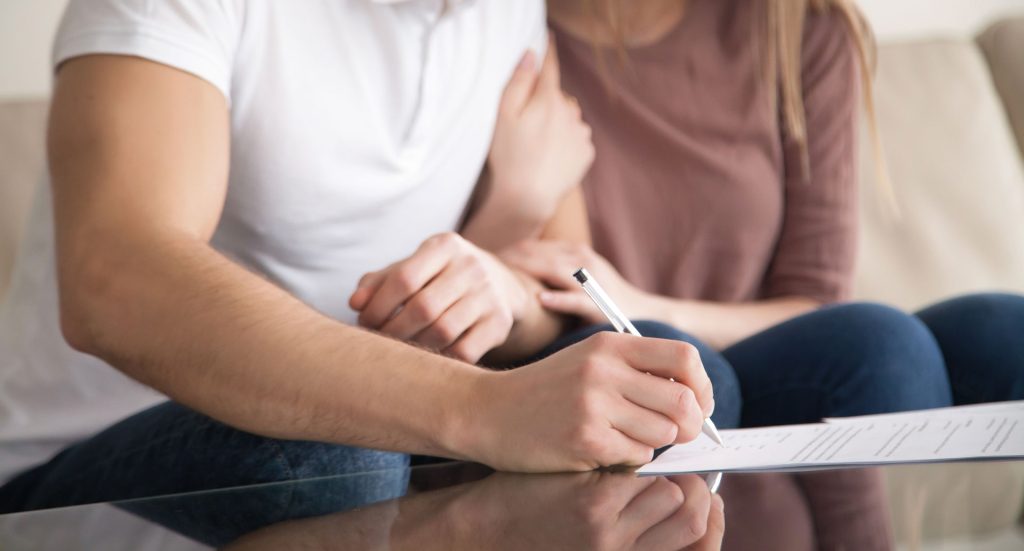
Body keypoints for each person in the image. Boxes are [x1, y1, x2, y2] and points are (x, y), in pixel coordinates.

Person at [0, 0, 718, 513]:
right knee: (341, 455)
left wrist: (501, 276)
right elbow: (116, 283)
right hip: (79, 466)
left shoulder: (514, 15)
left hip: (394, 428)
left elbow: (554, 280)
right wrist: (482, 407)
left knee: (671, 375)